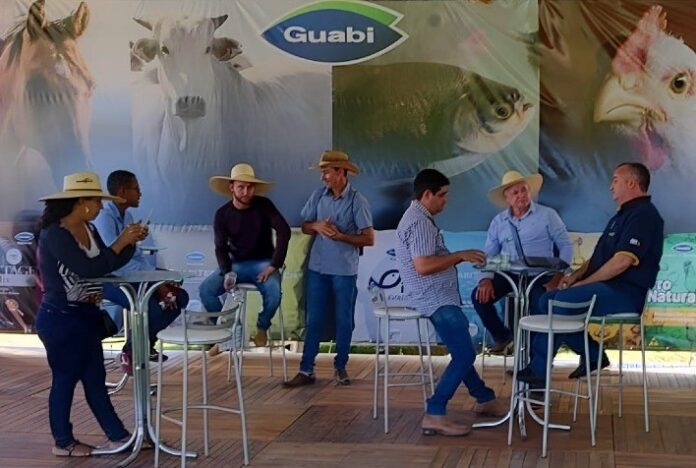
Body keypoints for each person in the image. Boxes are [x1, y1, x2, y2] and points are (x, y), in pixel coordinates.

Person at [518, 162, 664, 385]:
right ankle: (593, 354)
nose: (611, 186)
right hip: (607, 288)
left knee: (558, 303)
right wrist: (575, 276)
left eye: (615, 180)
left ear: (632, 183)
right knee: (547, 299)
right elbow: (599, 259)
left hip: (625, 293)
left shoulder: (644, 216)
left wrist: (584, 284)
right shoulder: (621, 215)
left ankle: (539, 369)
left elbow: (622, 262)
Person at [35, 171, 148, 457]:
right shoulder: (56, 234)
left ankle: (117, 435)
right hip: (61, 317)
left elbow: (107, 263)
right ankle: (63, 442)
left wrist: (130, 242)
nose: (100, 206)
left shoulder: (89, 229)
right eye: (96, 200)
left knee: (95, 377)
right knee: (65, 378)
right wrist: (121, 241)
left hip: (85, 316)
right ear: (81, 202)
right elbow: (89, 268)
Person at [395, 168, 507, 436]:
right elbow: (423, 265)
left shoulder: (418, 217)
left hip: (436, 297)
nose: (446, 200)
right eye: (442, 195)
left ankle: (484, 398)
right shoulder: (420, 222)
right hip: (435, 298)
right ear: (427, 194)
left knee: (461, 351)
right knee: (465, 354)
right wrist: (460, 255)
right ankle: (435, 412)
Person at [284, 151, 374, 387]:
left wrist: (340, 236)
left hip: (344, 270)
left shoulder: (357, 201)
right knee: (313, 320)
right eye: (322, 172)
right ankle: (306, 370)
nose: (322, 177)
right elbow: (304, 226)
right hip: (317, 268)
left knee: (344, 320)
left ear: (341, 172)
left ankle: (340, 366)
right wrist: (316, 225)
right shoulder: (318, 195)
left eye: (326, 172)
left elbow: (369, 239)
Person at [93, 170, 189, 371]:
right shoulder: (104, 218)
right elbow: (114, 262)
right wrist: (155, 280)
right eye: (136, 189)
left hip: (131, 277)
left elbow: (134, 257)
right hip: (109, 280)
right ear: (122, 191)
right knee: (152, 307)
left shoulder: (127, 215)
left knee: (179, 295)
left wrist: (157, 276)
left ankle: (137, 346)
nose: (140, 193)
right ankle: (136, 350)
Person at [472, 170, 572, 352]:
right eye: (515, 192)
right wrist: (485, 279)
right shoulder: (499, 221)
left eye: (524, 190)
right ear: (507, 198)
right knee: (479, 298)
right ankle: (503, 336)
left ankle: (536, 360)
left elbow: (565, 245)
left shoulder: (547, 215)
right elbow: (489, 255)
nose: (521, 195)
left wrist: (558, 276)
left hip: (541, 274)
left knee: (539, 309)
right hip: (510, 274)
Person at [200, 163, 290, 352]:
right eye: (241, 187)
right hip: (236, 264)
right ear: (231, 187)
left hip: (263, 263)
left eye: (250, 187)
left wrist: (274, 265)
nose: (246, 192)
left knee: (274, 293)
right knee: (206, 290)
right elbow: (220, 248)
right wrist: (227, 272)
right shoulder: (222, 214)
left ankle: (262, 326)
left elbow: (284, 231)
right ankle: (223, 333)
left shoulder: (264, 205)